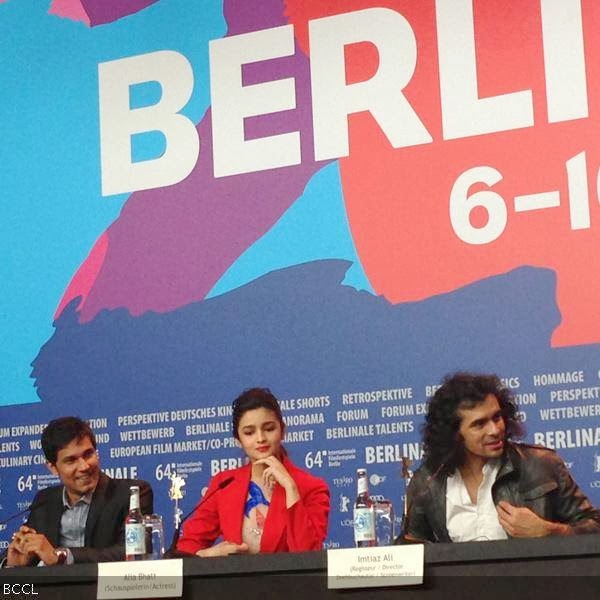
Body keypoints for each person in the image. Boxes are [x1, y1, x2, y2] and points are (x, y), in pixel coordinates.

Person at [401, 373, 600, 543]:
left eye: (497, 417)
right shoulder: (427, 481)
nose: (495, 430)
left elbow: (595, 527)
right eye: (479, 424)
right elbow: (411, 554)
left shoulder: (540, 464)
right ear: (454, 433)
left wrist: (549, 531)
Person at [177, 388, 330, 556]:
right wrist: (208, 555)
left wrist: (290, 489)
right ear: (238, 440)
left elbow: (309, 556)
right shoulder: (223, 484)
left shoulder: (311, 487)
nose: (260, 438)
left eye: (269, 428)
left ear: (283, 431)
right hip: (235, 582)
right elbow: (185, 550)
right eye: (249, 432)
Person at [3, 416, 153, 566]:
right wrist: (12, 564)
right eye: (71, 460)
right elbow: (26, 556)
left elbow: (133, 551)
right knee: (15, 590)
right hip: (53, 589)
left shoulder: (131, 494)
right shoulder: (45, 501)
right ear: (52, 468)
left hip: (107, 587)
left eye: (88, 454)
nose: (84, 467)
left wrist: (62, 556)